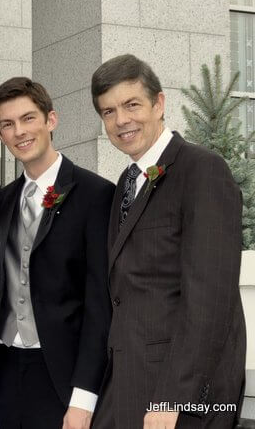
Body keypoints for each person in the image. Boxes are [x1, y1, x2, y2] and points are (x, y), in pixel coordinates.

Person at [90, 54, 245, 428]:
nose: (121, 120)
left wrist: (172, 400)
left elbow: (210, 301)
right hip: (128, 382)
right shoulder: (126, 184)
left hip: (181, 396)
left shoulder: (202, 171)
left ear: (159, 104)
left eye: (131, 105)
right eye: (108, 112)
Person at [0, 77, 113, 429]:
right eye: (8, 124)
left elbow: (100, 305)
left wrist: (84, 396)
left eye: (28, 118)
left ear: (51, 120)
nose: (19, 132)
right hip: (5, 368)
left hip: (62, 374)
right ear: (0, 133)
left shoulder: (96, 194)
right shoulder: (4, 199)